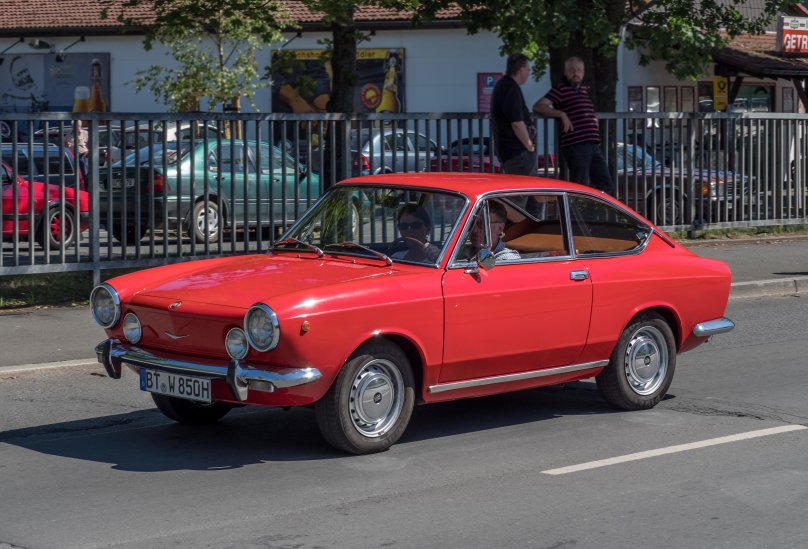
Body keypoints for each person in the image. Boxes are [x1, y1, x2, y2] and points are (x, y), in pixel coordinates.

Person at [533, 56, 615, 195]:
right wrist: (561, 114)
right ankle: (576, 209)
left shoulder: (584, 90)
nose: (576, 73)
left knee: (607, 186)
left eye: (579, 70)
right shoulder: (560, 89)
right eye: (572, 70)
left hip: (593, 145)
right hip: (576, 145)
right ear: (566, 72)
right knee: (580, 187)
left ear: (583, 72)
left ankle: (597, 209)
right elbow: (538, 106)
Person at [490, 53, 537, 176]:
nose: (528, 72)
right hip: (518, 153)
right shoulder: (511, 88)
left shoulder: (503, 85)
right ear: (521, 70)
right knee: (525, 186)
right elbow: (516, 123)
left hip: (510, 152)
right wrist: (529, 146)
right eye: (527, 69)